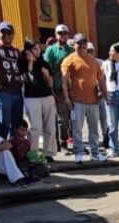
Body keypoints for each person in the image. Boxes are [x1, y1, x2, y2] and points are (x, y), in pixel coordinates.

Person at [61, 33, 107, 163]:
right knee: (77, 129)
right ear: (74, 45)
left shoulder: (93, 60)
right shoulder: (68, 60)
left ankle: (95, 153)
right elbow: (64, 81)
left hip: (93, 101)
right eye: (79, 43)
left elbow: (101, 79)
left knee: (94, 129)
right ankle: (78, 153)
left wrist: (106, 95)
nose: (82, 46)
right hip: (77, 101)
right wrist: (67, 98)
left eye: (84, 43)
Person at [20, 39, 56, 161]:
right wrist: (30, 62)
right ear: (28, 51)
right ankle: (33, 152)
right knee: (35, 127)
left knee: (50, 126)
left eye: (38, 48)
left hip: (47, 96)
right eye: (35, 49)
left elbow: (51, 84)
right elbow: (29, 80)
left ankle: (49, 152)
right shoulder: (23, 63)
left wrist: (46, 75)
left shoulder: (44, 63)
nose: (38, 51)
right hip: (32, 98)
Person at [43, 24, 75, 153]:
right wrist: (49, 88)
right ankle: (54, 143)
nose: (63, 36)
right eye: (60, 33)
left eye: (65, 33)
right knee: (51, 118)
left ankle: (64, 141)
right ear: (56, 35)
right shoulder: (51, 50)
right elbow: (46, 69)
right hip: (52, 88)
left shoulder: (71, 51)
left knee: (64, 118)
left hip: (65, 89)